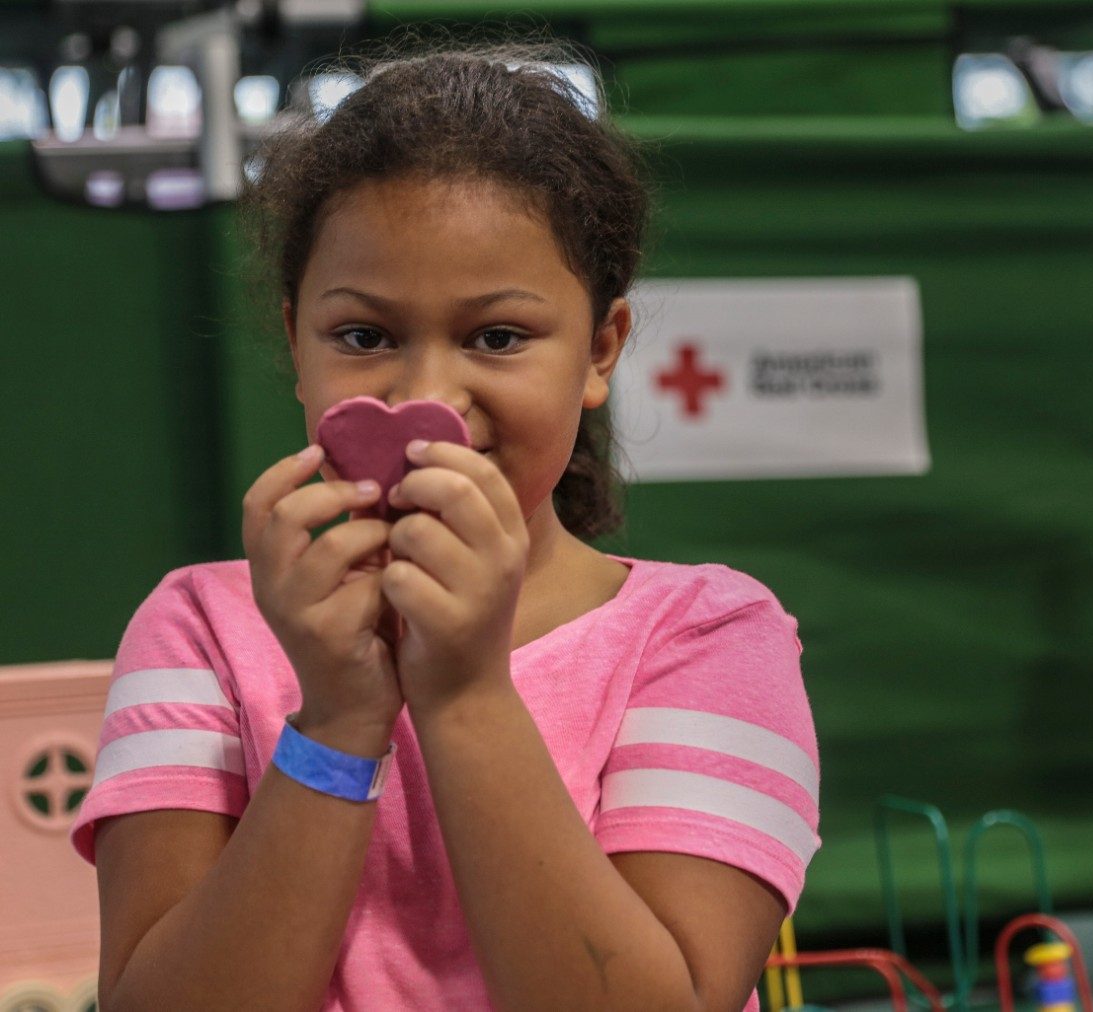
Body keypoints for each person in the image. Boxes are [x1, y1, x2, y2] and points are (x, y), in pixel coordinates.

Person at [71, 38, 820, 1011]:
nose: (426, 398)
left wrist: (464, 695)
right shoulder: (200, 630)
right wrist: (337, 718)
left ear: (599, 350)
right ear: (298, 342)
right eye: (364, 336)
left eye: (496, 337)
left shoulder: (709, 636)